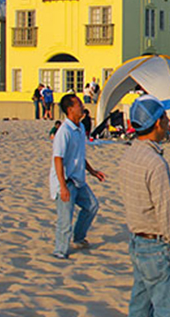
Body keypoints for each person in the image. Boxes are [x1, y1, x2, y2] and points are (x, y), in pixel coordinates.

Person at [121, 94, 170, 316]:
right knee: (169, 309)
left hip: (137, 242)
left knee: (140, 306)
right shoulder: (155, 163)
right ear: (157, 123)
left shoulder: (129, 154)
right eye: (165, 117)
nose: (168, 122)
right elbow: (166, 212)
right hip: (157, 247)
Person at [50, 94, 106, 259]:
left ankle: (79, 237)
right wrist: (62, 186)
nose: (82, 107)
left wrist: (93, 171)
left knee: (92, 206)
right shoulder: (64, 131)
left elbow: (79, 155)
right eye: (79, 105)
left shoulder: (80, 128)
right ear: (70, 109)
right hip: (66, 181)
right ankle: (60, 251)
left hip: (78, 179)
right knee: (65, 219)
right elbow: (58, 159)